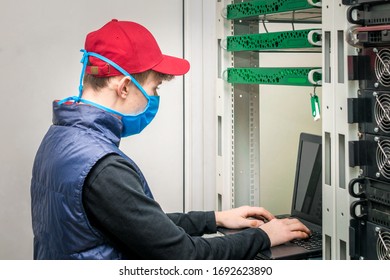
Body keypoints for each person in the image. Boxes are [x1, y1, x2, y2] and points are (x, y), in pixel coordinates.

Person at [30, 19, 310, 260]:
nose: (154, 98)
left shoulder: (61, 137)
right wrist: (264, 236)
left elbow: (133, 223)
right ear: (125, 86)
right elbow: (181, 255)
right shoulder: (103, 167)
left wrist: (213, 219)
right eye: (155, 87)